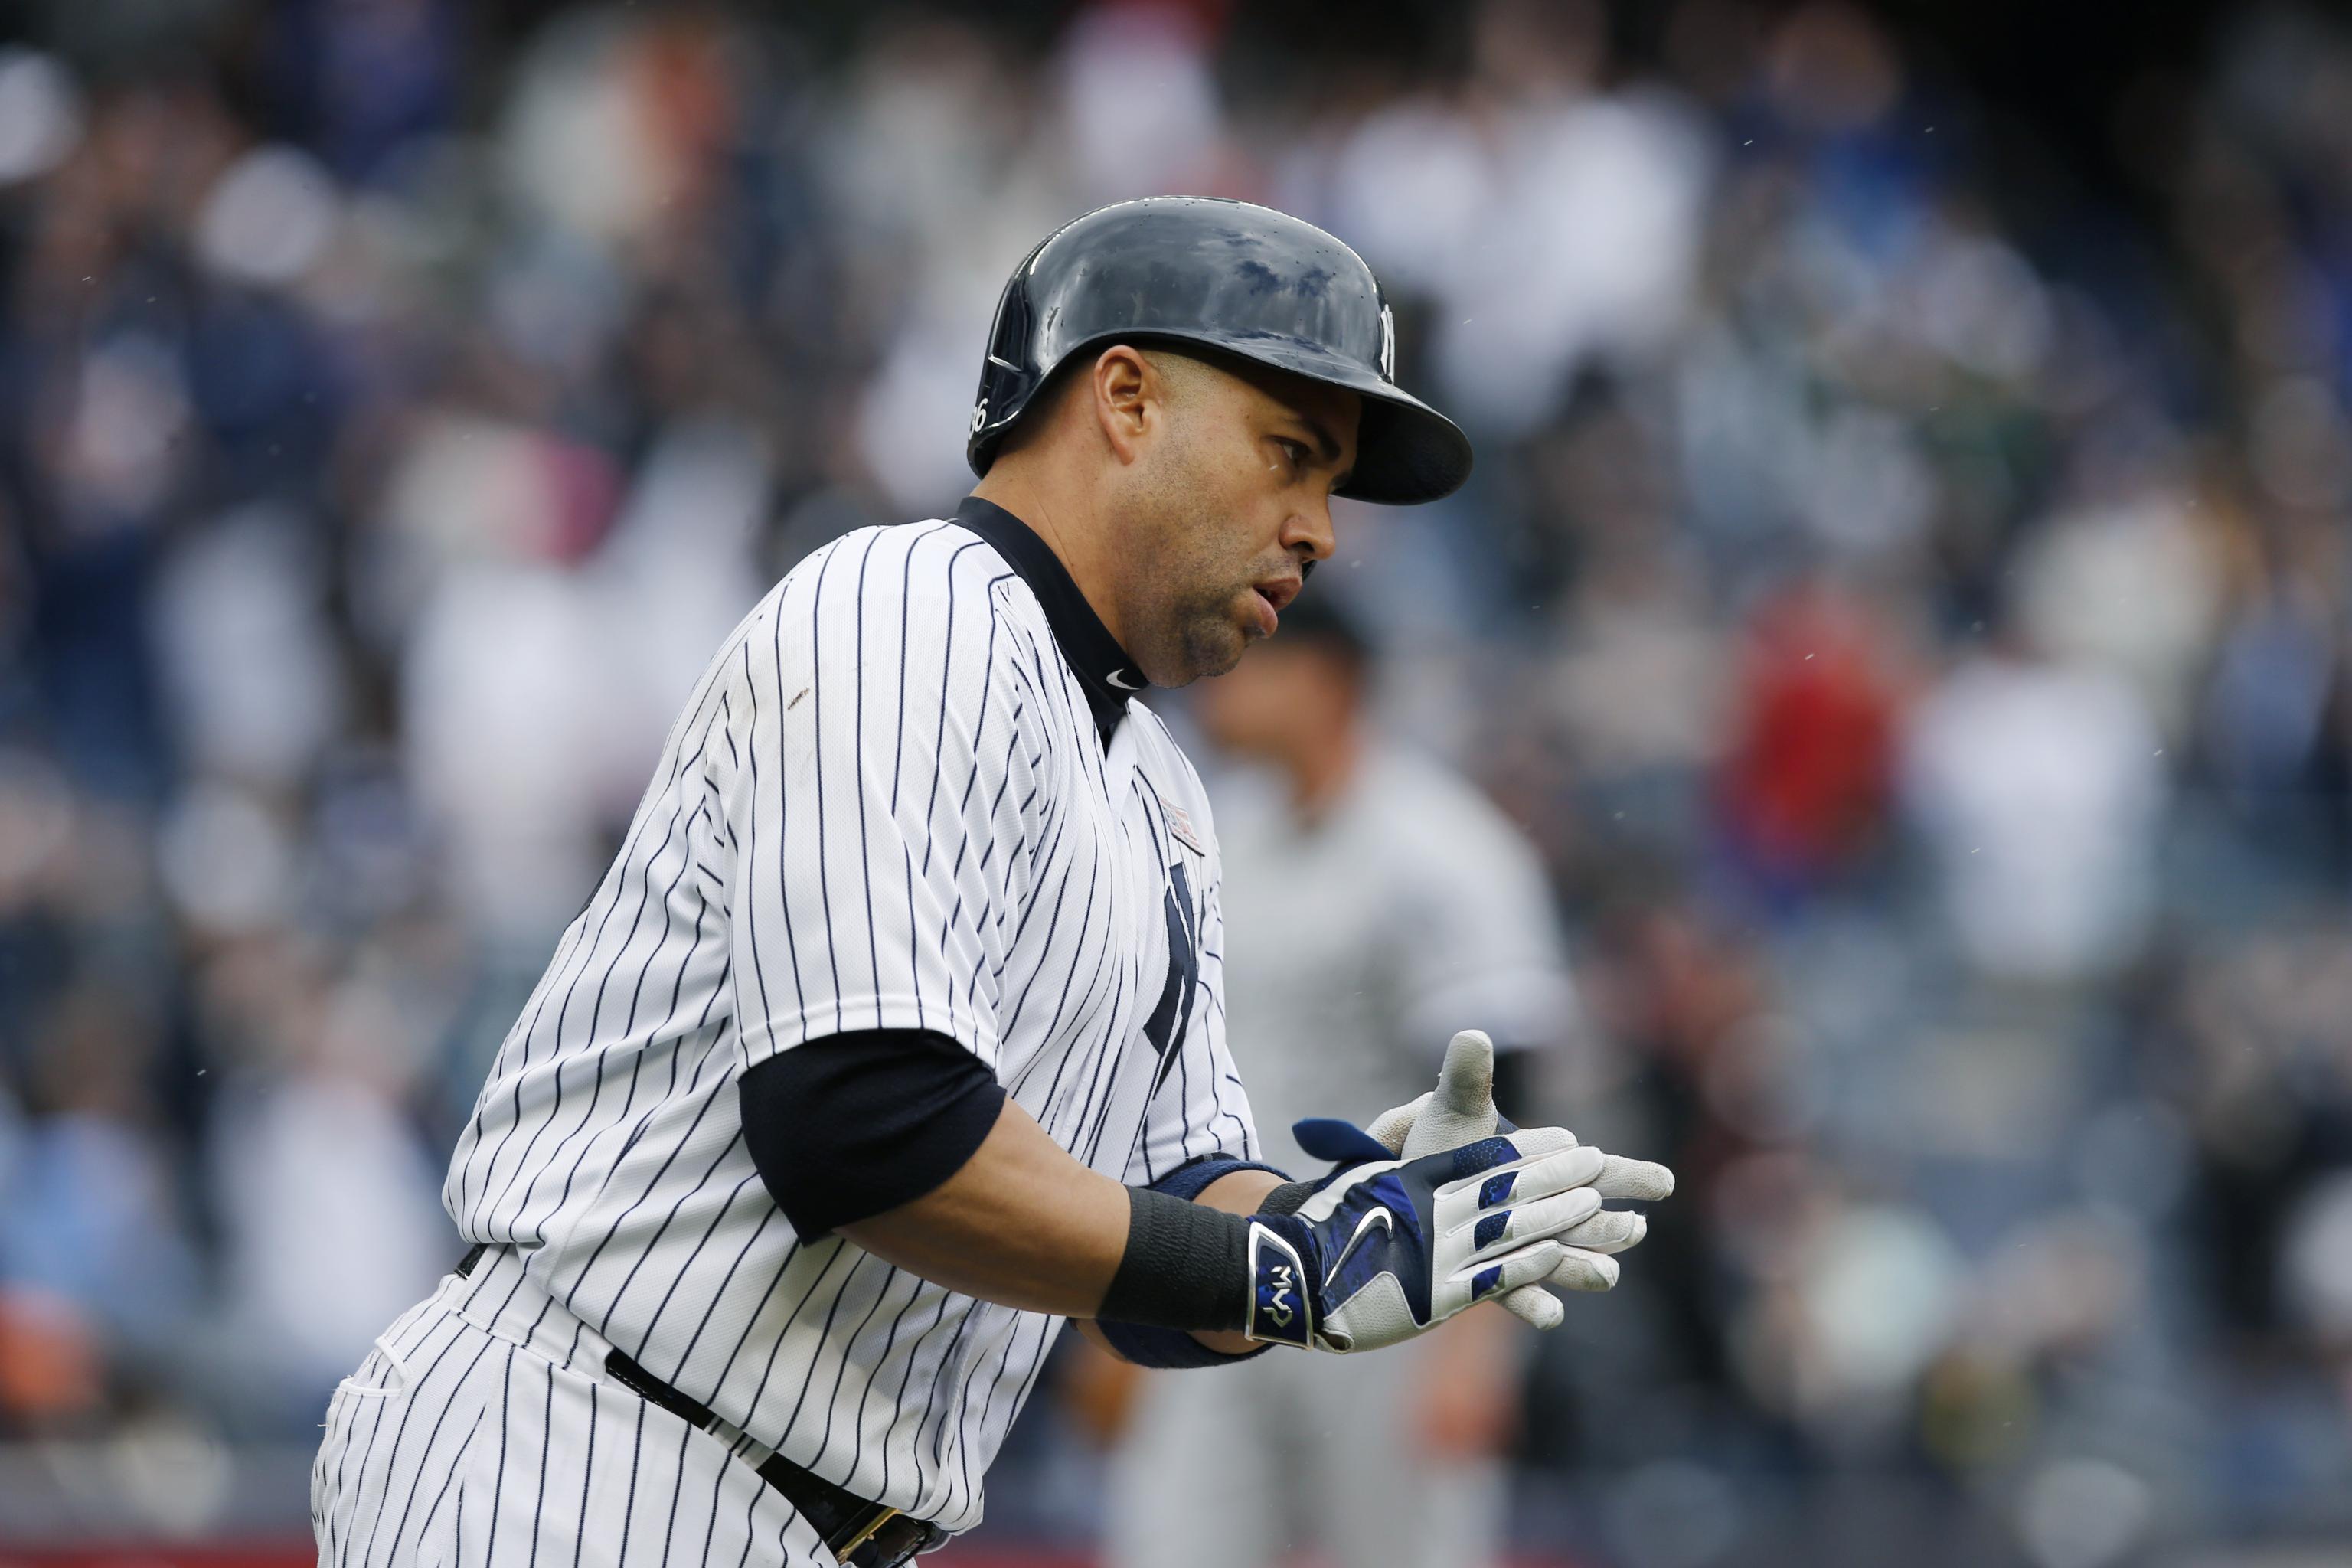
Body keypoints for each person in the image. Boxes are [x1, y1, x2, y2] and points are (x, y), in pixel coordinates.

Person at [308, 196, 1672, 1568]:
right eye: (1290, 453)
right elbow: (866, 1124)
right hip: (583, 1463)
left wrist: (1338, 1233)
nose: (1319, 527)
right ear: (1125, 398)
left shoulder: (1161, 791)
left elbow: (1156, 1225)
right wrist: (1275, 1272)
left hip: (782, 1508)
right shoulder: (907, 607)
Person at [1089, 593, 1586, 1568]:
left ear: (1329, 683)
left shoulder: (1446, 849)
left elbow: (1511, 1102)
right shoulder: (1219, 834)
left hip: (1398, 1286)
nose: (1222, 685)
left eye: (1259, 664)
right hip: (1226, 1256)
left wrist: (1480, 1344)